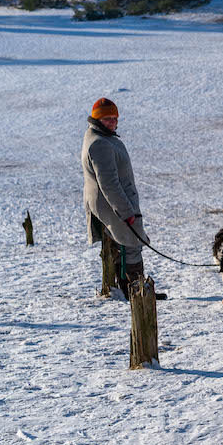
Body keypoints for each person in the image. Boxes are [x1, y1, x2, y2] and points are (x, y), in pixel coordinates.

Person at [81, 98, 164, 299]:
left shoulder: (100, 137)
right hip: (114, 205)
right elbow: (109, 184)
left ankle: (133, 290)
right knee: (131, 243)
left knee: (128, 244)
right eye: (107, 118)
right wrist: (126, 212)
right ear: (97, 118)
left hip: (114, 203)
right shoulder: (100, 143)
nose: (112, 122)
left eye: (114, 118)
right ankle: (137, 293)